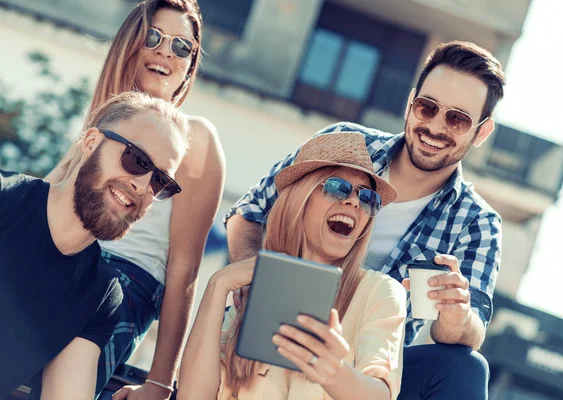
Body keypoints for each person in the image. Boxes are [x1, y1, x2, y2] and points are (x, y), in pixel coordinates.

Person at [225, 41, 505, 399]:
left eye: (457, 119)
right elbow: (247, 215)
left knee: (465, 366)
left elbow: (472, 330)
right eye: (427, 107)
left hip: (371, 373)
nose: (435, 127)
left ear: (481, 132)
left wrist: (456, 317)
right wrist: (256, 285)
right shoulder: (344, 146)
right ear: (410, 103)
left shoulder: (476, 223)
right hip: (279, 332)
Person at [45, 1, 225, 398]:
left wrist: (160, 383)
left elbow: (184, 270)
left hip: (123, 286)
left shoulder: (195, 141)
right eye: (154, 37)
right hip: (57, 269)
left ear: (190, 64)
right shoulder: (96, 131)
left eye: (182, 47)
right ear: (130, 43)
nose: (165, 52)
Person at [178, 132, 406, 399]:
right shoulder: (252, 294)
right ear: (299, 198)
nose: (354, 202)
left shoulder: (380, 292)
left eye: (368, 199)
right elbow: (192, 396)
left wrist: (334, 372)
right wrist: (217, 286)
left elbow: (380, 395)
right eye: (337, 187)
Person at [0, 91, 190, 400]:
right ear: (91, 143)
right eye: (137, 160)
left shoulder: (101, 298)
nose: (142, 186)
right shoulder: (5, 198)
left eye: (160, 182)